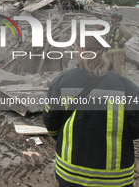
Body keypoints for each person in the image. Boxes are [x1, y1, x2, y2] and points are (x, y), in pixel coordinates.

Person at [43, 31, 139, 187]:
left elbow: (51, 122)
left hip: (71, 174)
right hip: (116, 178)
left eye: (75, 47)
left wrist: (62, 137)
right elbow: (136, 127)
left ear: (82, 50)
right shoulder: (126, 86)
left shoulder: (62, 82)